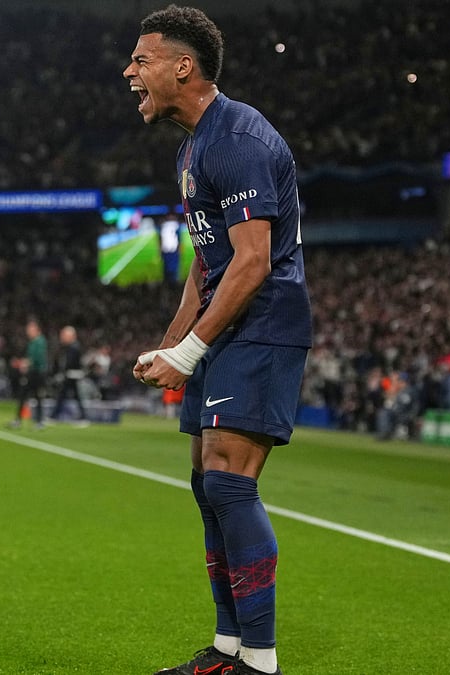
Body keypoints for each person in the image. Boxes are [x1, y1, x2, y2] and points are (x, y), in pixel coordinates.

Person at [124, 7, 312, 675]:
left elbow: (253, 262)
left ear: (183, 66)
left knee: (231, 483)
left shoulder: (237, 139)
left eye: (141, 60)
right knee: (209, 484)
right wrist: (171, 342)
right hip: (225, 327)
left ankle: (258, 662)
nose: (129, 72)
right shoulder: (193, 148)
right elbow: (205, 266)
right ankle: (227, 651)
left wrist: (192, 349)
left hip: (261, 324)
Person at [9, 319, 48, 429]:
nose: (28, 332)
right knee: (24, 395)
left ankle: (39, 421)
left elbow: (37, 359)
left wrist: (24, 363)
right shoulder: (33, 342)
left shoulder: (40, 342)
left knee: (37, 396)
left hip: (38, 373)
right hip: (32, 372)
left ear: (36, 330)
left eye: (30, 329)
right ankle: (19, 420)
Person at [50, 325, 89, 425]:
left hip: (72, 375)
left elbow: (71, 363)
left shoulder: (74, 348)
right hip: (70, 375)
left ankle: (54, 416)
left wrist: (63, 373)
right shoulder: (70, 347)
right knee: (67, 396)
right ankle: (82, 417)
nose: (62, 337)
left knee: (65, 396)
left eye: (64, 335)